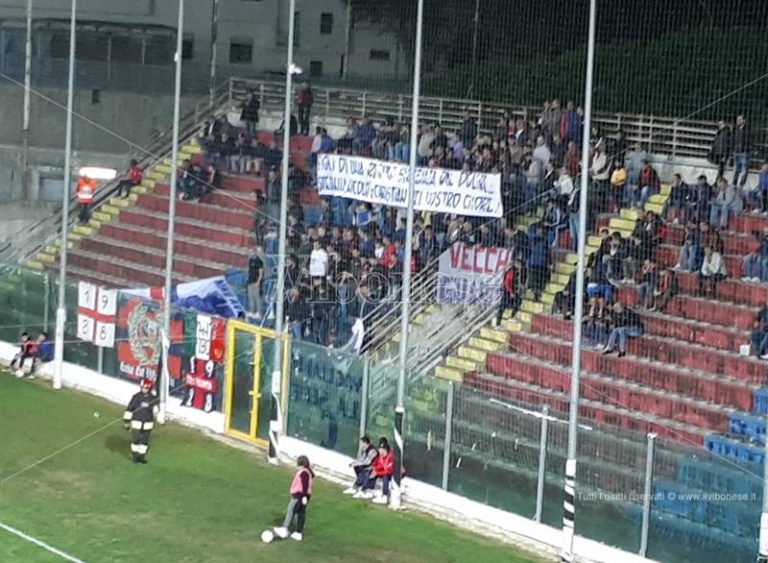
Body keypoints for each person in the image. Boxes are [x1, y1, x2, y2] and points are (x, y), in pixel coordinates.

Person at [274, 455, 315, 542]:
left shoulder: (304, 473)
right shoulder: (308, 472)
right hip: (303, 495)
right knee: (299, 513)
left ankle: (285, 529)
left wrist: (303, 496)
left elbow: (304, 485)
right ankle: (297, 532)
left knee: (291, 510)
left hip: (299, 495)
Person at [123, 378, 159, 464]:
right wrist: (126, 422)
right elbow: (129, 409)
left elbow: (156, 409)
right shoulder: (136, 397)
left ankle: (141, 456)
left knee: (145, 441)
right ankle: (135, 456)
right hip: (137, 422)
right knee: (136, 439)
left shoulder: (153, 398)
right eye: (143, 387)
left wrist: (151, 407)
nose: (144, 389)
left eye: (146, 388)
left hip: (148, 422)